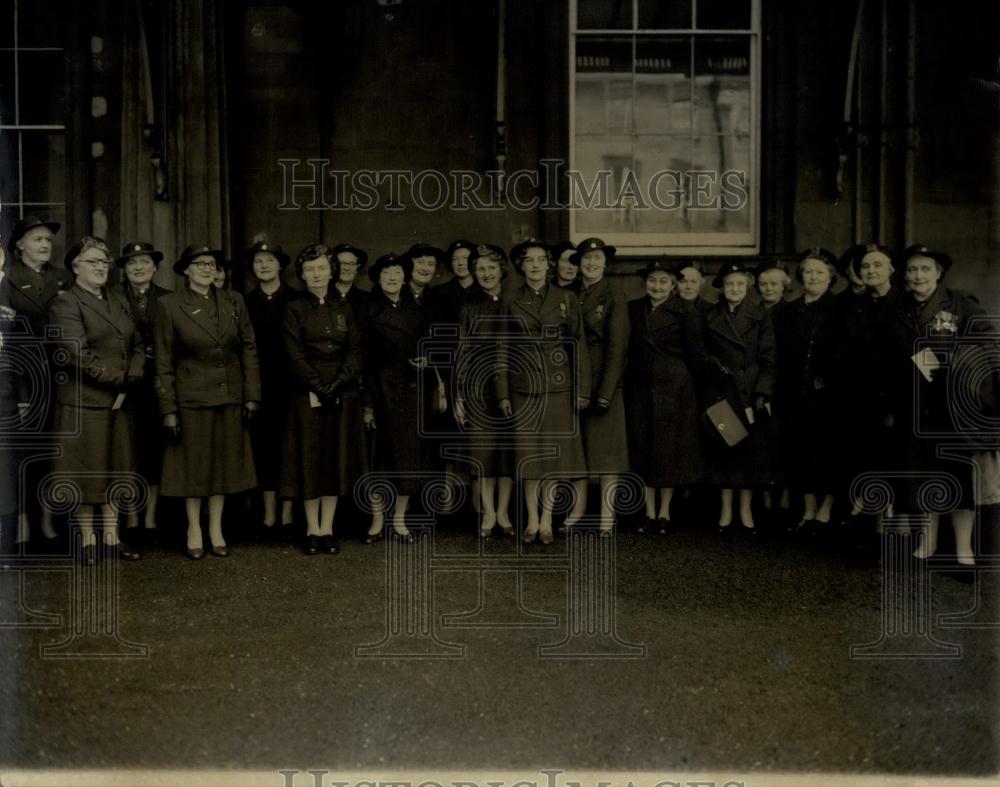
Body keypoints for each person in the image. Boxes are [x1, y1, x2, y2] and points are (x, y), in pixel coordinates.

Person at [153, 245, 261, 559]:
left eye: (211, 264)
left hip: (229, 395)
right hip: (191, 398)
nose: (206, 269)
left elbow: (249, 350)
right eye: (198, 264)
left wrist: (251, 395)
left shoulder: (233, 300)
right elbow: (162, 361)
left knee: (223, 466)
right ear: (185, 270)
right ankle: (194, 529)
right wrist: (168, 408)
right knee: (194, 467)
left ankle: (216, 527)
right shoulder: (169, 305)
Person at [880, 244, 984, 569]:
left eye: (925, 269)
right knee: (922, 477)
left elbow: (986, 345)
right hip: (913, 406)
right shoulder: (896, 309)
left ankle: (963, 550)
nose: (918, 276)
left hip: (950, 408)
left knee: (957, 478)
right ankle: (928, 543)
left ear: (938, 273)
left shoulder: (961, 304)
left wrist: (952, 366)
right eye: (912, 270)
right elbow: (887, 357)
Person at [49, 237, 145, 564]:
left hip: (119, 402)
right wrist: (119, 380)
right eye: (93, 261)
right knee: (86, 472)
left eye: (104, 262)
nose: (101, 267)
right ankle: (88, 541)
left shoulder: (116, 300)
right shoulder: (66, 303)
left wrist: (132, 377)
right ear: (76, 266)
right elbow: (75, 353)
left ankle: (112, 537)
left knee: (116, 470)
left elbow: (137, 342)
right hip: (84, 403)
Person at [497, 239, 591, 545]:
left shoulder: (566, 297)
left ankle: (548, 520)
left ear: (549, 265)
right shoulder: (510, 300)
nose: (535, 265)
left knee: (552, 459)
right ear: (521, 266)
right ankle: (532, 521)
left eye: (541, 260)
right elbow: (501, 349)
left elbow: (578, 346)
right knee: (529, 458)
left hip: (558, 388)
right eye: (529, 260)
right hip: (523, 388)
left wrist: (582, 390)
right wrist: (503, 393)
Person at [281, 244, 365, 555]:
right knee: (309, 459)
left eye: (321, 268)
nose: (317, 274)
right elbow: (293, 354)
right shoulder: (294, 308)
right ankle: (311, 529)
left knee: (334, 459)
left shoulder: (344, 307)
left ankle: (328, 528)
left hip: (341, 392)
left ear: (331, 270)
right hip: (307, 393)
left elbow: (356, 350)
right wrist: (317, 385)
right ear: (302, 275)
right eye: (310, 269)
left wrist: (338, 384)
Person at [625, 258, 705, 533]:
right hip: (640, 387)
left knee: (668, 450)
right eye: (652, 280)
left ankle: (664, 512)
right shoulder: (633, 309)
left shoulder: (686, 311)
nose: (656, 286)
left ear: (673, 285)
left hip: (674, 387)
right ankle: (647, 512)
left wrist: (693, 391)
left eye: (663, 281)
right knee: (644, 446)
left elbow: (695, 355)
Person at [360, 253, 436, 542]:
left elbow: (433, 344)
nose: (392, 278)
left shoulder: (418, 311)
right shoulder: (368, 310)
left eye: (397, 273)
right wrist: (368, 403)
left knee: (407, 458)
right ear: (378, 279)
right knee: (379, 457)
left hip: (411, 390)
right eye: (386, 273)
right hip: (380, 390)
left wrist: (428, 358)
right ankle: (377, 519)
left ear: (405, 277)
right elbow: (363, 359)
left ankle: (399, 520)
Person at [700, 261, 777, 534]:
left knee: (748, 455)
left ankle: (745, 509)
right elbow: (701, 352)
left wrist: (761, 392)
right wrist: (715, 367)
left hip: (749, 395)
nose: (735, 289)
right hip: (721, 392)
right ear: (722, 287)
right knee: (723, 451)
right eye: (730, 284)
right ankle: (725, 509)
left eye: (740, 284)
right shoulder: (709, 316)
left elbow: (769, 359)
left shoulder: (760, 316)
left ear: (747, 286)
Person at [6, 216, 68, 546]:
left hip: (58, 378)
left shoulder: (62, 278)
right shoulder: (7, 280)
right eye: (37, 239)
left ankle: (47, 522)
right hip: (22, 381)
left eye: (48, 239)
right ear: (19, 245)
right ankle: (21, 523)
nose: (45, 244)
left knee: (50, 454)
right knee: (21, 454)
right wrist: (18, 389)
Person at [561, 237, 629, 536]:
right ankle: (577, 510)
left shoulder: (613, 292)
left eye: (597, 258)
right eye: (586, 259)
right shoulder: (570, 292)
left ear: (605, 262)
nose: (591, 263)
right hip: (575, 377)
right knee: (579, 449)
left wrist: (606, 391)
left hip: (604, 379)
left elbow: (618, 345)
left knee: (607, 452)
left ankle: (606, 515)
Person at [834, 243, 901, 528]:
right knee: (865, 456)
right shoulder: (855, 305)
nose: (871, 271)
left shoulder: (903, 303)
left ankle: (893, 526)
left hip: (895, 394)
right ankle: (874, 527)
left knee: (891, 459)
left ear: (891, 269)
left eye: (877, 265)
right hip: (860, 394)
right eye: (865, 266)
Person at [774, 249, 841, 533]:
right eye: (808, 272)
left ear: (831, 277)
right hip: (794, 393)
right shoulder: (787, 310)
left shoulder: (841, 308)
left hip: (828, 395)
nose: (813, 277)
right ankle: (809, 509)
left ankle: (825, 510)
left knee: (827, 452)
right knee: (799, 452)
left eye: (819, 272)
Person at [454, 244, 515, 537]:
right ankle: (488, 514)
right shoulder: (470, 306)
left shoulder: (514, 301)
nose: (486, 273)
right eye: (480, 268)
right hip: (480, 389)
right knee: (484, 454)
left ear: (501, 270)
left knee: (506, 455)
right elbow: (463, 351)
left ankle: (504, 512)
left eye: (491, 267)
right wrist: (461, 393)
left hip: (511, 388)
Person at [113, 242, 169, 541]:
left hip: (157, 384)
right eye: (132, 263)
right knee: (127, 450)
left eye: (144, 262)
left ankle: (150, 518)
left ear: (155, 267)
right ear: (124, 268)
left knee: (154, 449)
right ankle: (131, 517)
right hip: (125, 382)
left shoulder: (170, 299)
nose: (138, 268)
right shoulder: (113, 297)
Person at [244, 241, 299, 539]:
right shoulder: (245, 302)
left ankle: (288, 512)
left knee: (289, 448)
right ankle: (268, 514)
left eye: (269, 260)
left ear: (280, 265)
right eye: (257, 261)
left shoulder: (296, 299)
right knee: (263, 448)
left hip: (292, 385)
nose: (263, 266)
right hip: (259, 385)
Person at [330, 242, 370, 322]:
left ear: (357, 268)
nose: (347, 268)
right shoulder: (323, 295)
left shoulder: (368, 300)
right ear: (333, 266)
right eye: (342, 263)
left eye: (352, 264)